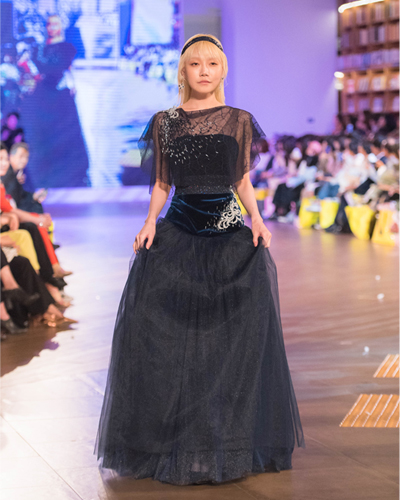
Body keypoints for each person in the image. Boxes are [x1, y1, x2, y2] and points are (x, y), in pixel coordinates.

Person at [94, 34, 305, 486]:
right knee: (168, 340)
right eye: (195, 64)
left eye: (212, 63)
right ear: (183, 71)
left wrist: (257, 219)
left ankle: (226, 440)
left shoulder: (239, 120)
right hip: (179, 232)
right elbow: (162, 182)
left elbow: (242, 180)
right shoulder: (165, 122)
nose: (204, 71)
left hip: (229, 237)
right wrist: (150, 222)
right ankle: (172, 440)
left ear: (223, 70)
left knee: (231, 344)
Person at [19, 14, 90, 188]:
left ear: (61, 26)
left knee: (68, 132)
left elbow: (60, 67)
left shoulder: (67, 47)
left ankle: (75, 171)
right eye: (49, 24)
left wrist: (71, 83)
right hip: (44, 97)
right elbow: (34, 67)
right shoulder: (38, 48)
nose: (51, 28)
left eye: (55, 24)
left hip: (61, 97)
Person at [2, 142, 46, 213]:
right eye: (21, 156)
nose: (24, 160)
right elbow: (10, 199)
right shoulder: (5, 172)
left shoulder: (18, 174)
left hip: (13, 207)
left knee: (36, 206)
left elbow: (20, 196)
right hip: (9, 210)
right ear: (11, 156)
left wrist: (34, 196)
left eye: (26, 157)